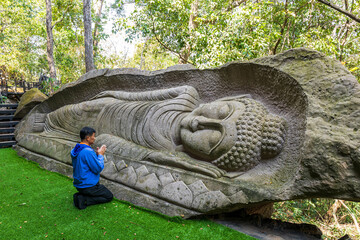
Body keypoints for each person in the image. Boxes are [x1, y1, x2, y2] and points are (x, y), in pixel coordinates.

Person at [71, 127, 113, 209]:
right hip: (89, 186)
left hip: (78, 184)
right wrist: (101, 155)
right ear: (87, 138)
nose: (94, 138)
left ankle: (80, 195)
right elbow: (98, 168)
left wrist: (96, 156)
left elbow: (86, 164)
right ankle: (83, 199)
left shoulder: (76, 148)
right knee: (109, 196)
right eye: (93, 136)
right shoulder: (87, 151)